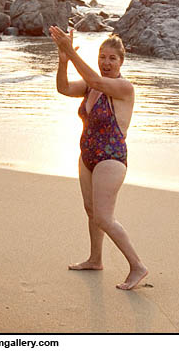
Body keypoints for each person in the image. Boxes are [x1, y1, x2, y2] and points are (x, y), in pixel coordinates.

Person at [49, 25, 148, 290]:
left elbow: (95, 81)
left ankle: (137, 266)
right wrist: (63, 61)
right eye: (102, 57)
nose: (106, 62)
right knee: (91, 211)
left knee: (104, 217)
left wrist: (70, 51)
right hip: (88, 155)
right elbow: (63, 88)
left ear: (121, 62)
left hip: (111, 158)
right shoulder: (90, 88)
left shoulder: (123, 87)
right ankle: (95, 259)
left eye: (112, 58)